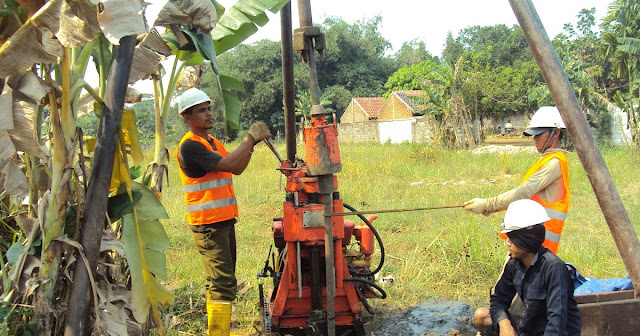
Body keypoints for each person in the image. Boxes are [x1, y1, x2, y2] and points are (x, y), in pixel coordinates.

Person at [175, 88, 271, 336]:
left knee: (221, 282)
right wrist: (250, 139)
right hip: (208, 225)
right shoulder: (190, 147)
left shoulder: (212, 142)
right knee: (223, 284)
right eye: (201, 110)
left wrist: (252, 144)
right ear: (187, 117)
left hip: (223, 222)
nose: (208, 114)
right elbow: (230, 164)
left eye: (208, 108)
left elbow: (236, 168)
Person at [463, 106, 570, 254]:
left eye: (539, 134)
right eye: (534, 135)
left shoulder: (554, 163)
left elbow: (523, 193)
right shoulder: (546, 161)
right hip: (527, 241)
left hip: (538, 247)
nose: (535, 138)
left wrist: (488, 204)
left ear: (556, 133)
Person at [473, 199, 581, 336]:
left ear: (525, 239)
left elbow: (556, 322)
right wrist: (504, 324)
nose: (508, 243)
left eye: (511, 238)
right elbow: (499, 298)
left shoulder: (554, 269)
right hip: (530, 327)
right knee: (483, 317)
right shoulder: (515, 263)